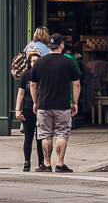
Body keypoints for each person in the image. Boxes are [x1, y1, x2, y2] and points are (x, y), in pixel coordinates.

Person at [25, 42, 82, 172]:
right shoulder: (68, 61)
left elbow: (33, 85)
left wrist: (35, 102)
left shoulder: (39, 62)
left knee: (45, 134)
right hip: (62, 105)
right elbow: (76, 84)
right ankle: (60, 164)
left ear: (49, 47)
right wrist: (75, 102)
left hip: (44, 104)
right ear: (61, 45)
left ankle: (46, 164)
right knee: (62, 133)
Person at [9, 35, 50, 170]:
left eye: (36, 60)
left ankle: (41, 162)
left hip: (41, 108)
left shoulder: (43, 75)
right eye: (32, 61)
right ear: (29, 62)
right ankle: (27, 162)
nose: (34, 63)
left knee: (40, 137)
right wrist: (17, 110)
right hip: (27, 108)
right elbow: (20, 93)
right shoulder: (25, 76)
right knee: (28, 136)